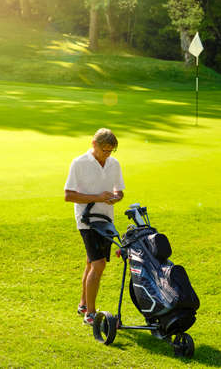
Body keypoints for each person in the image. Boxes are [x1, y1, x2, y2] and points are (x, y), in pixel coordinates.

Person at [64, 128, 125, 326]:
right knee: (99, 265)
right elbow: (69, 195)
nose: (107, 154)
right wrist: (97, 198)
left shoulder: (114, 163)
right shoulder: (79, 163)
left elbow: (120, 190)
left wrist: (116, 197)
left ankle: (83, 303)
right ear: (94, 144)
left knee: (91, 263)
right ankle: (90, 313)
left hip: (106, 219)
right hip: (87, 220)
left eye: (110, 151)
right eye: (104, 150)